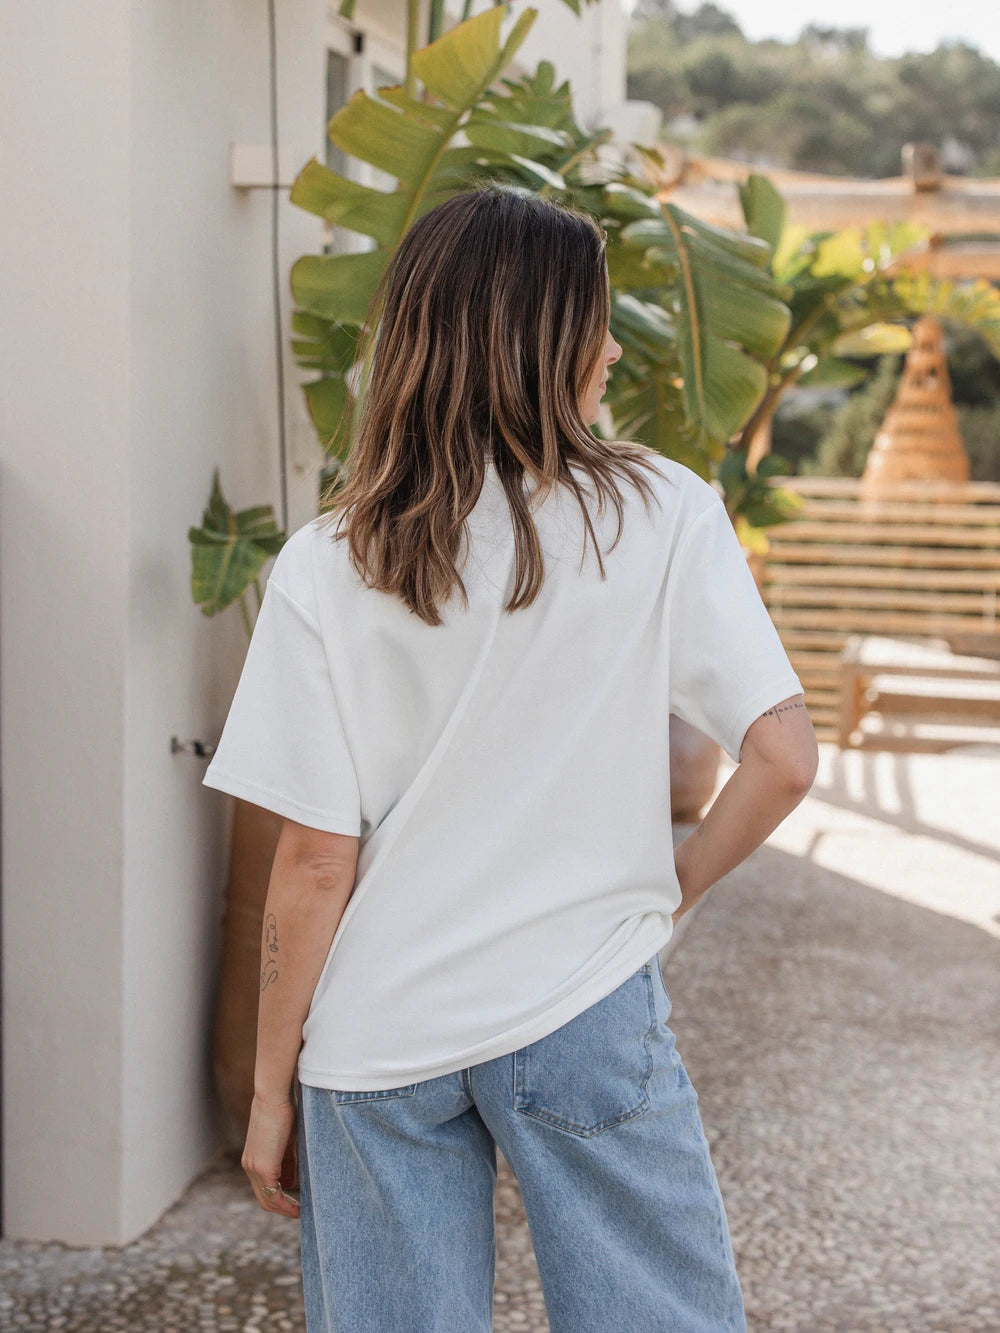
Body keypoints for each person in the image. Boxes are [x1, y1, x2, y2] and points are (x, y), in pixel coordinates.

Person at [204, 185, 818, 1333]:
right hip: (580, 1000)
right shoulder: (663, 512)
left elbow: (315, 861)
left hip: (376, 1032)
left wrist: (267, 1088)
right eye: (596, 320)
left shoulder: (329, 559)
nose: (609, 348)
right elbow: (782, 756)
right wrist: (666, 894)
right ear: (559, 341)